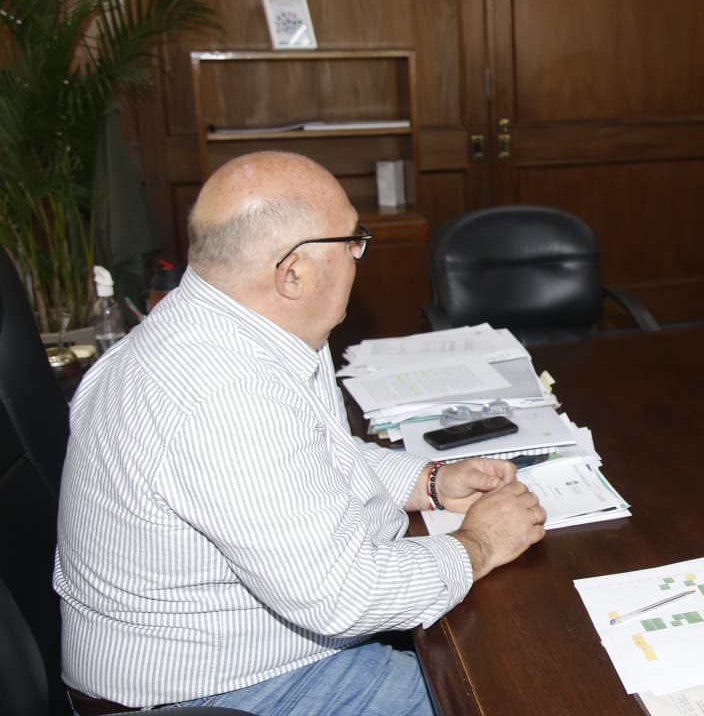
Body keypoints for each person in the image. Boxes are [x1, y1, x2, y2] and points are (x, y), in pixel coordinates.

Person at [54, 151, 547, 715]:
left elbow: (319, 457)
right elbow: (342, 594)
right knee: (511, 696)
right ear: (293, 273)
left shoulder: (240, 328)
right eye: (352, 241)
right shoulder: (224, 395)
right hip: (215, 692)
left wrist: (429, 481)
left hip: (249, 653)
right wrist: (480, 543)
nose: (358, 256)